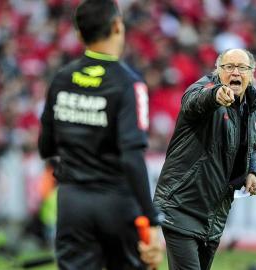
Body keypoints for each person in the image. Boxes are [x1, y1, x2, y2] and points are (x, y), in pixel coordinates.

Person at [38, 0, 163, 269]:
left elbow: (46, 146)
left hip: (72, 203)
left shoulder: (61, 78)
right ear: (117, 26)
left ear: (80, 34)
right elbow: (131, 156)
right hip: (116, 201)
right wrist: (151, 219)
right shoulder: (128, 83)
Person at [153, 48, 256, 270]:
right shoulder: (204, 89)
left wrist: (253, 171)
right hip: (182, 206)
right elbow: (192, 101)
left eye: (241, 68)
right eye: (228, 67)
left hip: (214, 214)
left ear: (251, 74)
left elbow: (254, 145)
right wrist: (215, 96)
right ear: (217, 71)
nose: (235, 72)